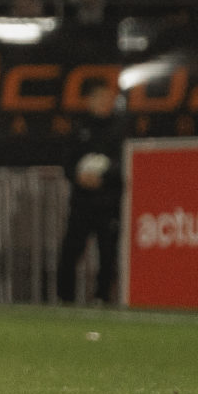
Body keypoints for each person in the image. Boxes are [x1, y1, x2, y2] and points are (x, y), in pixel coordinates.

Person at [56, 80, 122, 306]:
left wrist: (104, 177)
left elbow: (125, 164)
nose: (105, 103)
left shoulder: (119, 130)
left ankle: (102, 297)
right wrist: (78, 176)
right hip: (82, 203)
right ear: (90, 101)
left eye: (109, 99)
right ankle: (65, 298)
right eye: (101, 99)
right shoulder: (79, 129)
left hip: (109, 203)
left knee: (108, 253)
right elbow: (67, 162)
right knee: (70, 251)